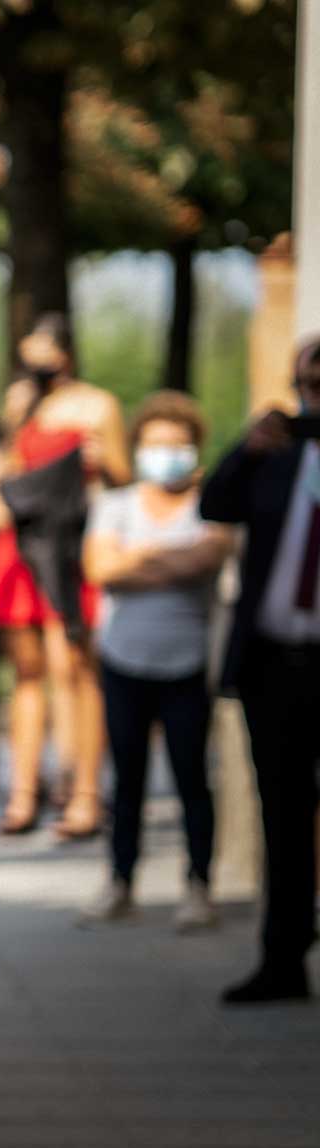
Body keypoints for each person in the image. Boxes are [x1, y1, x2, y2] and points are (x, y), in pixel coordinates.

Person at [79, 392, 233, 928]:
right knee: (127, 778)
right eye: (155, 444)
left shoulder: (210, 504)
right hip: (123, 658)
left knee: (192, 776)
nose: (166, 454)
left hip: (187, 663)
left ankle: (199, 885)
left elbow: (207, 558)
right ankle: (121, 880)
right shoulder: (117, 504)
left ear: (195, 449)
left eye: (177, 444)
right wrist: (170, 561)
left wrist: (137, 557)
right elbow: (101, 569)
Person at [0, 313, 128, 837]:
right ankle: (24, 791)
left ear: (64, 353)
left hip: (70, 547)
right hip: (21, 545)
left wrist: (100, 459)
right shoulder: (21, 402)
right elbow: (12, 465)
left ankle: (84, 792)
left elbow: (123, 477)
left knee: (74, 669)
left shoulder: (98, 405)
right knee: (27, 673)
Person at [198, 338, 320, 1004]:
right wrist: (248, 448)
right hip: (276, 663)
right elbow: (214, 504)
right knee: (284, 812)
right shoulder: (277, 456)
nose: (313, 399)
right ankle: (283, 957)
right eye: (308, 386)